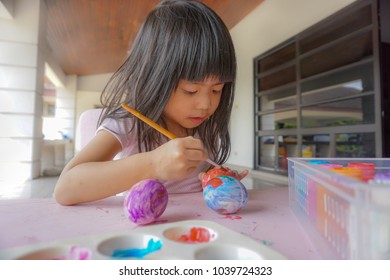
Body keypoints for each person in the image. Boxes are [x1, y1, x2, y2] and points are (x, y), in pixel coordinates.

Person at [54, 0, 247, 206]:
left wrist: (215, 177)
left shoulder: (203, 128)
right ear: (153, 77)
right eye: (191, 90)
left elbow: (194, 182)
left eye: (217, 89)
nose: (205, 104)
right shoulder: (129, 124)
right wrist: (153, 163)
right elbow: (65, 189)